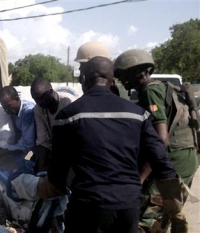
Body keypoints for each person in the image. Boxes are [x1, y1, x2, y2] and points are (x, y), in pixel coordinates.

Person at [49, 56, 187, 233]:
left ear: (84, 80)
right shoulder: (138, 114)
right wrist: (174, 205)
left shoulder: (67, 116)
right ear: (112, 82)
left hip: (88, 206)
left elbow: (58, 169)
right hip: (128, 206)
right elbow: (160, 159)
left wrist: (56, 187)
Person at [114, 49, 198, 232]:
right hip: (186, 158)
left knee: (145, 218)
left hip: (174, 160)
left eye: (121, 75)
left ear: (132, 74)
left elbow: (161, 140)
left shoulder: (150, 93)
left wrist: (140, 178)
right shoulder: (165, 87)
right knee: (165, 215)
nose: (120, 80)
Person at [30, 78, 71, 172]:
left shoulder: (68, 103)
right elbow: (43, 139)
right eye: (35, 99)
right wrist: (41, 168)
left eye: (41, 98)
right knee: (28, 158)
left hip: (69, 151)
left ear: (51, 91)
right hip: (39, 150)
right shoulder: (38, 109)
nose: (39, 102)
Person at [0, 85, 36, 161]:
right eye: (4, 107)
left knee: (26, 162)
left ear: (17, 99)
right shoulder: (14, 112)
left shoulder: (27, 112)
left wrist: (1, 152)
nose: (6, 110)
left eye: (8, 106)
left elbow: (29, 144)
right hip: (24, 147)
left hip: (34, 149)